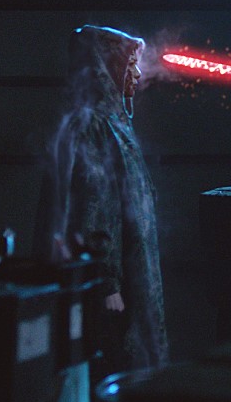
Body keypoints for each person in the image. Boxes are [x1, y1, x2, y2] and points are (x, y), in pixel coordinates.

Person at [35, 25, 169, 383]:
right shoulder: (93, 125)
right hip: (111, 282)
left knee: (127, 361)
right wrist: (108, 282)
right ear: (107, 68)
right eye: (129, 65)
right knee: (109, 361)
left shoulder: (113, 125)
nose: (138, 74)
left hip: (125, 272)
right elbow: (95, 203)